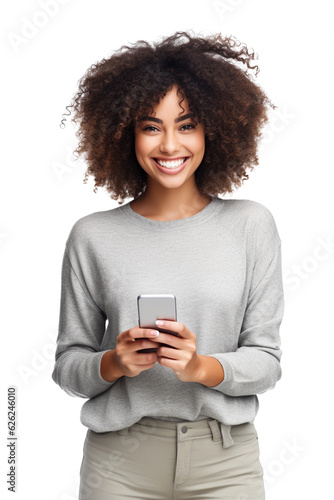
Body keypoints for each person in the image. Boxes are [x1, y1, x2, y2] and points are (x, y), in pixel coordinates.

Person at [52, 31, 284, 500]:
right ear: (124, 133)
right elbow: (67, 364)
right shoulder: (92, 235)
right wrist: (114, 363)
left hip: (226, 463)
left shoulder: (251, 226)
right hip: (119, 462)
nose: (170, 145)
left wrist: (201, 367)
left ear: (213, 129)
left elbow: (267, 362)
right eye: (151, 126)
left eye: (187, 124)